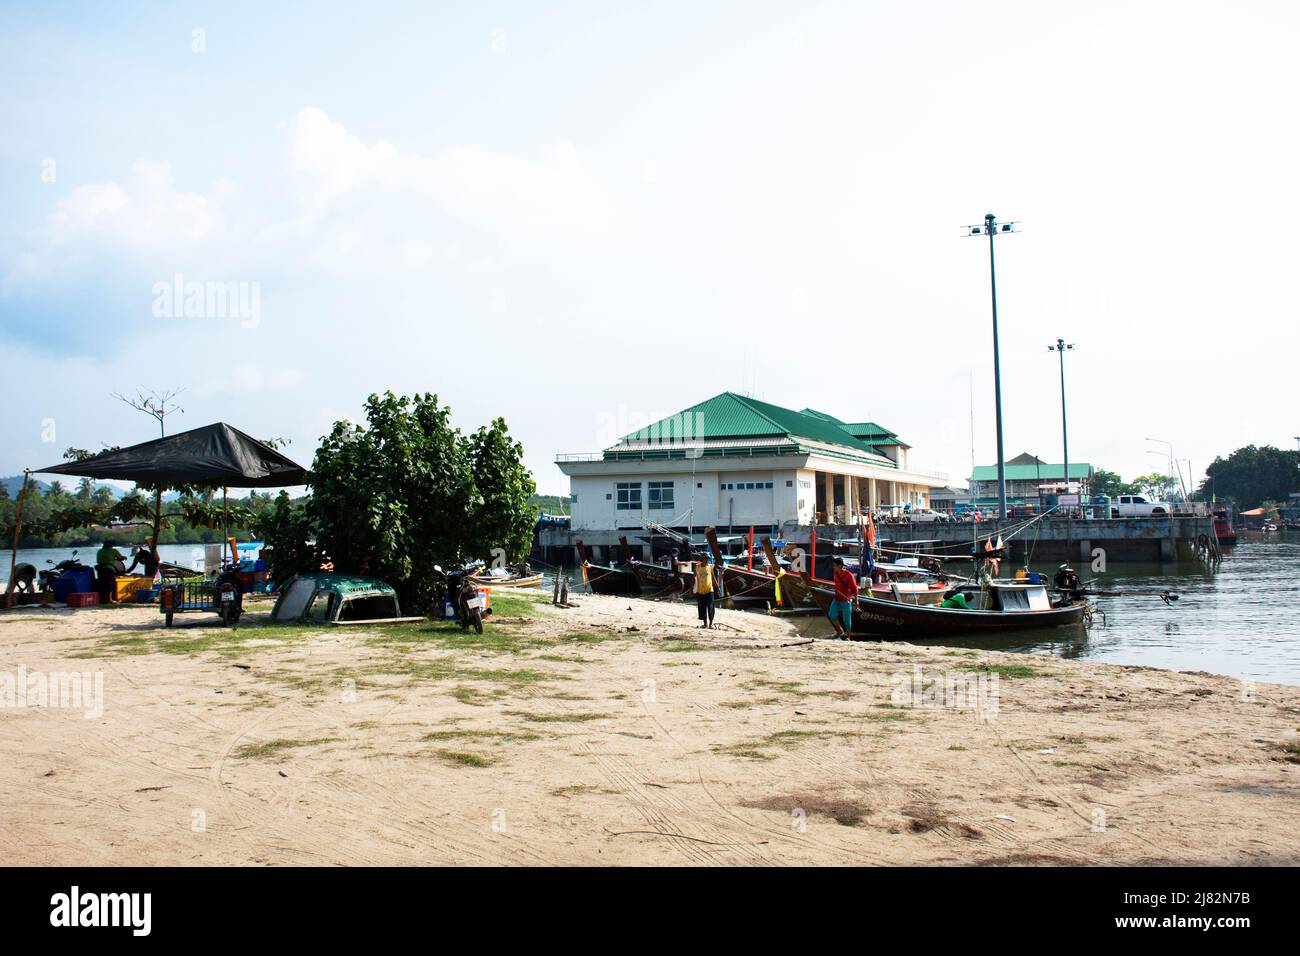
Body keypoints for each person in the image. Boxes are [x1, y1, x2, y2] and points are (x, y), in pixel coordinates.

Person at [828, 556, 858, 639]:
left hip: (846, 599)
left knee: (847, 620)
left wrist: (856, 600)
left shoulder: (848, 575)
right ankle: (840, 630)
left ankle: (848, 636)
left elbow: (855, 588)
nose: (833, 567)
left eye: (834, 565)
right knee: (831, 615)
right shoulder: (835, 573)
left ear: (839, 566)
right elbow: (837, 584)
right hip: (836, 598)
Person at [693, 552, 716, 629]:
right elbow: (694, 578)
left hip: (710, 590)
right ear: (702, 559)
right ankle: (705, 624)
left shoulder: (710, 567)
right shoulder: (697, 567)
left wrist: (718, 587)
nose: (707, 560)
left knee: (711, 607)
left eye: (707, 559)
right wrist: (691, 589)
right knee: (702, 607)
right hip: (700, 591)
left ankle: (711, 624)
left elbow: (713, 577)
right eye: (705, 559)